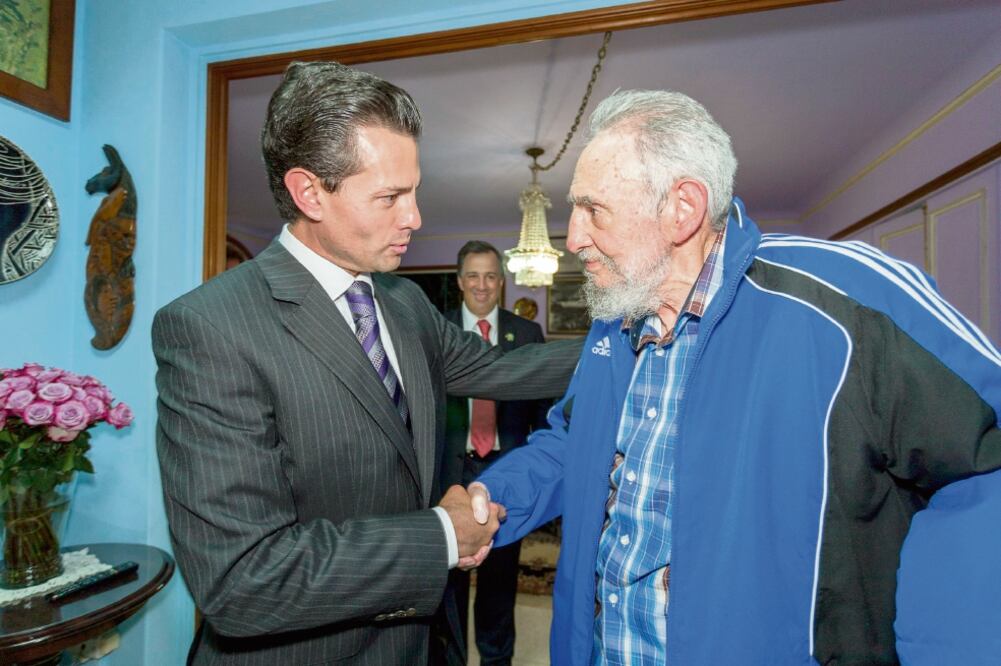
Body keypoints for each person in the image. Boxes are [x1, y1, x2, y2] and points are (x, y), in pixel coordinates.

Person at [468, 89, 1001, 664]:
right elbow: (575, 445)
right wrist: (492, 494)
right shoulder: (614, 320)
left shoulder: (849, 303)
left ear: (683, 208)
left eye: (593, 209)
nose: (572, 238)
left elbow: (984, 462)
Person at [152, 61, 580, 665]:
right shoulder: (209, 328)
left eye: (415, 190)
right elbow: (242, 581)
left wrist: (634, 333)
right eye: (390, 197)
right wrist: (440, 535)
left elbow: (505, 370)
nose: (415, 217)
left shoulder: (402, 301)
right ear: (309, 193)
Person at [438, 240, 552, 665]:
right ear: (459, 281)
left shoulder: (525, 334)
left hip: (506, 472)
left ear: (501, 282)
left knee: (498, 590)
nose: (481, 285)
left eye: (490, 276)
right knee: (447, 592)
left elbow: (543, 409)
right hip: (451, 476)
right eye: (473, 275)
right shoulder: (437, 330)